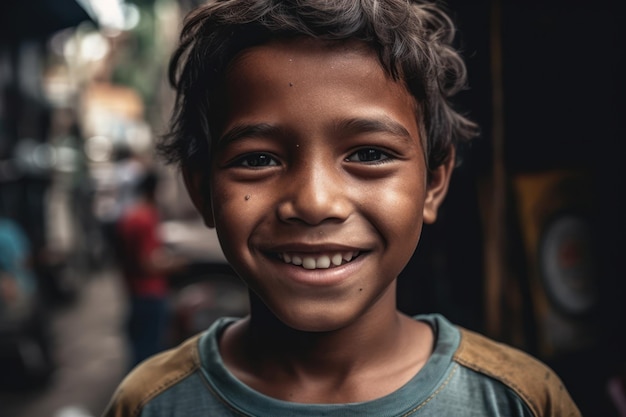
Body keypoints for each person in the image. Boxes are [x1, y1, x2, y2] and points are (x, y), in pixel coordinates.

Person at [103, 1, 581, 416]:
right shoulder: (151, 404)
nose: (314, 203)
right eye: (258, 159)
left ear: (434, 181)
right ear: (201, 190)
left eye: (369, 154)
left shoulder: (520, 400)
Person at [114, 169, 187, 368]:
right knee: (149, 357)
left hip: (134, 292)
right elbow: (148, 264)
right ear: (155, 190)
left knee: (139, 350)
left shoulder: (130, 215)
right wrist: (176, 264)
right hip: (151, 294)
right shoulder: (146, 218)